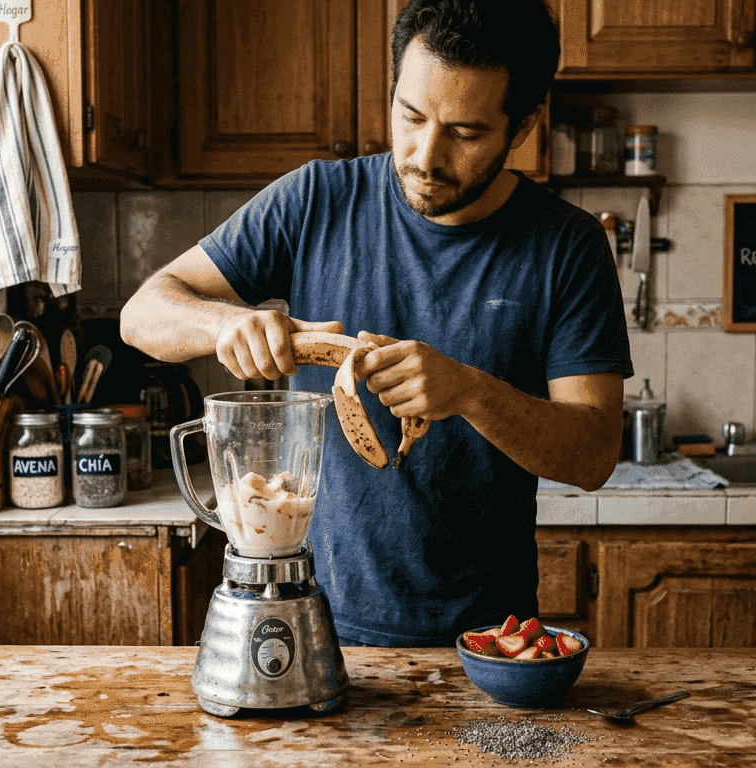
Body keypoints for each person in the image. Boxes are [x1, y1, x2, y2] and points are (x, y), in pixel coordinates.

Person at [119, 0, 632, 647]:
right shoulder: (314, 200)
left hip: (489, 645)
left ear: (523, 125)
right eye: (410, 116)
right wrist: (227, 324)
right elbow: (143, 313)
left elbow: (593, 456)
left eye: (465, 132)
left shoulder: (567, 246)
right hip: (310, 624)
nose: (425, 155)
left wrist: (470, 392)